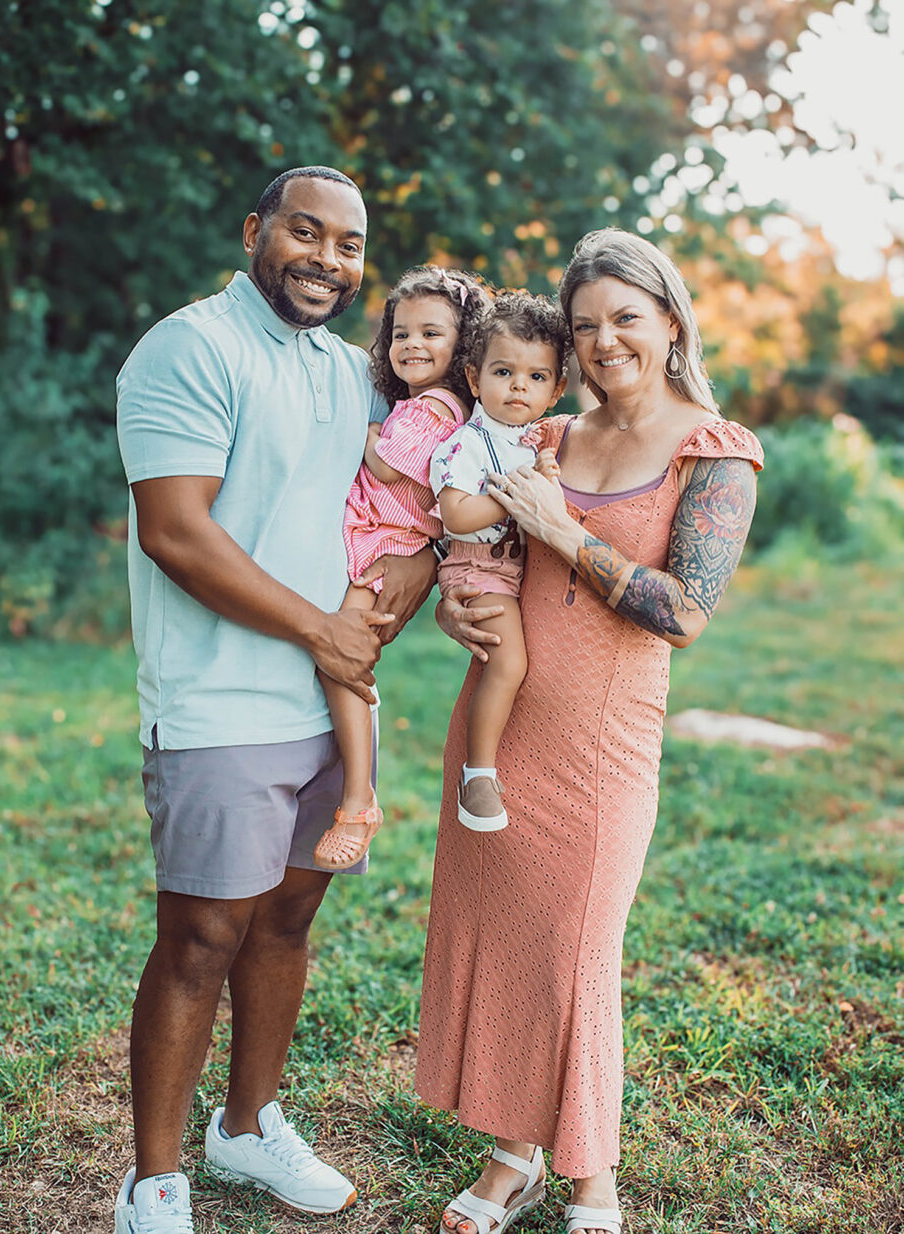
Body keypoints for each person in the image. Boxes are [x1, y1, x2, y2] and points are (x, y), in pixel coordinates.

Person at [417, 228, 764, 1234]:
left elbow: (682, 613)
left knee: (577, 954)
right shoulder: (549, 434)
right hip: (498, 735)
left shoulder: (715, 451)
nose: (606, 340)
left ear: (670, 321)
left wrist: (565, 533)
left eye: (626, 317)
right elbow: (477, 542)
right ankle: (513, 1156)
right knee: (511, 941)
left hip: (601, 749)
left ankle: (592, 1179)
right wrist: (454, 605)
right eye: (585, 325)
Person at [113, 166, 437, 1234]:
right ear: (256, 230)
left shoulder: (353, 373)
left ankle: (246, 1127)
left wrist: (419, 576)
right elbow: (175, 532)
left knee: (288, 919)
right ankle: (153, 1181)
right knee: (202, 935)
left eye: (349, 245)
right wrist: (321, 630)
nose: (327, 260)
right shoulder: (189, 348)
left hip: (330, 705)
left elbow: (414, 497)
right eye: (306, 232)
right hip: (219, 702)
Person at [312, 265, 490, 871]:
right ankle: (353, 791)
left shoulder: (433, 407)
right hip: (384, 536)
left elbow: (388, 466)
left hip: (390, 543)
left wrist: (367, 433)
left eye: (431, 334)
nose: (412, 345)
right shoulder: (426, 404)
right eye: (401, 333)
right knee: (345, 659)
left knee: (343, 659)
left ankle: (359, 801)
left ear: (464, 346)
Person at [429, 293, 569, 832]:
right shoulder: (465, 444)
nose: (518, 387)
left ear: (556, 390)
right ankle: (479, 774)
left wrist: (544, 480)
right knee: (508, 664)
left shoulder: (534, 443)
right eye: (504, 372)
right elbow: (457, 514)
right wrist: (523, 496)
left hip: (513, 568)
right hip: (477, 567)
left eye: (536, 377)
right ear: (474, 377)